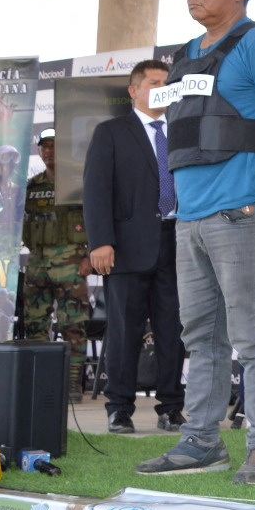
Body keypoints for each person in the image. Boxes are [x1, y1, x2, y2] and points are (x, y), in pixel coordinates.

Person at [136, 0, 255, 485]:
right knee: (199, 335)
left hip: (241, 211)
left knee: (253, 333)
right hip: (189, 220)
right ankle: (200, 442)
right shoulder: (186, 54)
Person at [82, 59, 187, 435]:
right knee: (124, 331)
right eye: (155, 82)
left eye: (167, 83)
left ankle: (172, 407)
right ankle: (120, 408)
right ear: (134, 90)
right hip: (125, 247)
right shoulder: (111, 132)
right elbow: (96, 190)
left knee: (172, 330)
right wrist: (101, 242)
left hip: (178, 243)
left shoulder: (182, 130)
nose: (162, 88)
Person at [17, 128, 91, 402]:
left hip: (71, 260)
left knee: (73, 323)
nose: (49, 151)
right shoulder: (31, 186)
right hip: (37, 261)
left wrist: (90, 255)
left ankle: (73, 383)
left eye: (54, 146)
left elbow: (96, 219)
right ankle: (41, 380)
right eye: (44, 146)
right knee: (34, 323)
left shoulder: (78, 183)